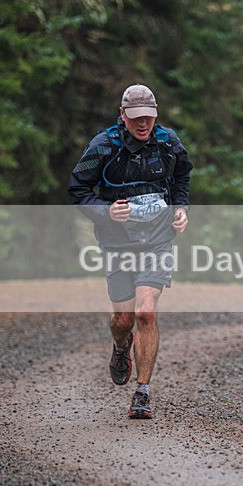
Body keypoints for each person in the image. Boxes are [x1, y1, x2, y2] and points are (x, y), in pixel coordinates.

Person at [68, 84, 192, 419]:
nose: (143, 124)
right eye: (136, 117)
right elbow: (77, 188)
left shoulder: (168, 142)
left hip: (157, 240)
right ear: (122, 115)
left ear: (156, 114)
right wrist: (105, 211)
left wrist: (181, 209)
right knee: (123, 320)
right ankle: (121, 346)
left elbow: (182, 178)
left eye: (148, 117)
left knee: (145, 313)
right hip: (117, 243)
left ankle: (143, 393)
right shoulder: (104, 145)